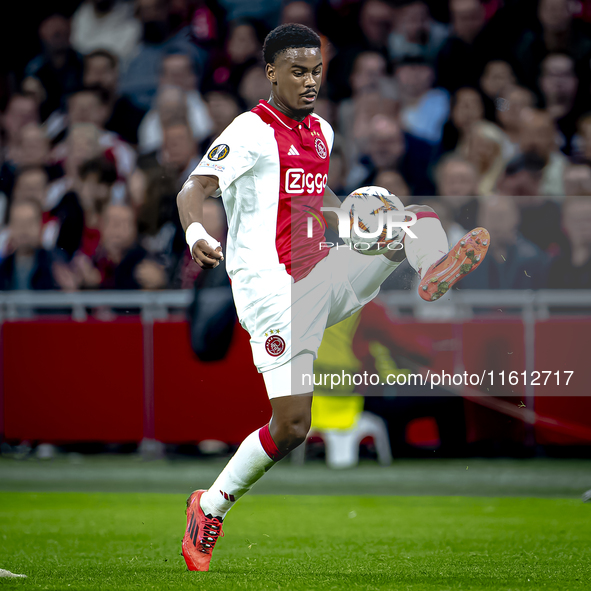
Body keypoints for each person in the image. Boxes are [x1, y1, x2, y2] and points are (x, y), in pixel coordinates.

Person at [176, 23, 490, 572]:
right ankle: (211, 504)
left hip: (320, 272)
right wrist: (198, 233)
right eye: (297, 71)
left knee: (412, 217)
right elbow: (193, 188)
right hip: (272, 291)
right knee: (294, 426)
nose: (310, 80)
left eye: (316, 70)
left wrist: (356, 215)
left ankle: (430, 268)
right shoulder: (250, 131)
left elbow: (317, 199)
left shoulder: (321, 130)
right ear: (271, 72)